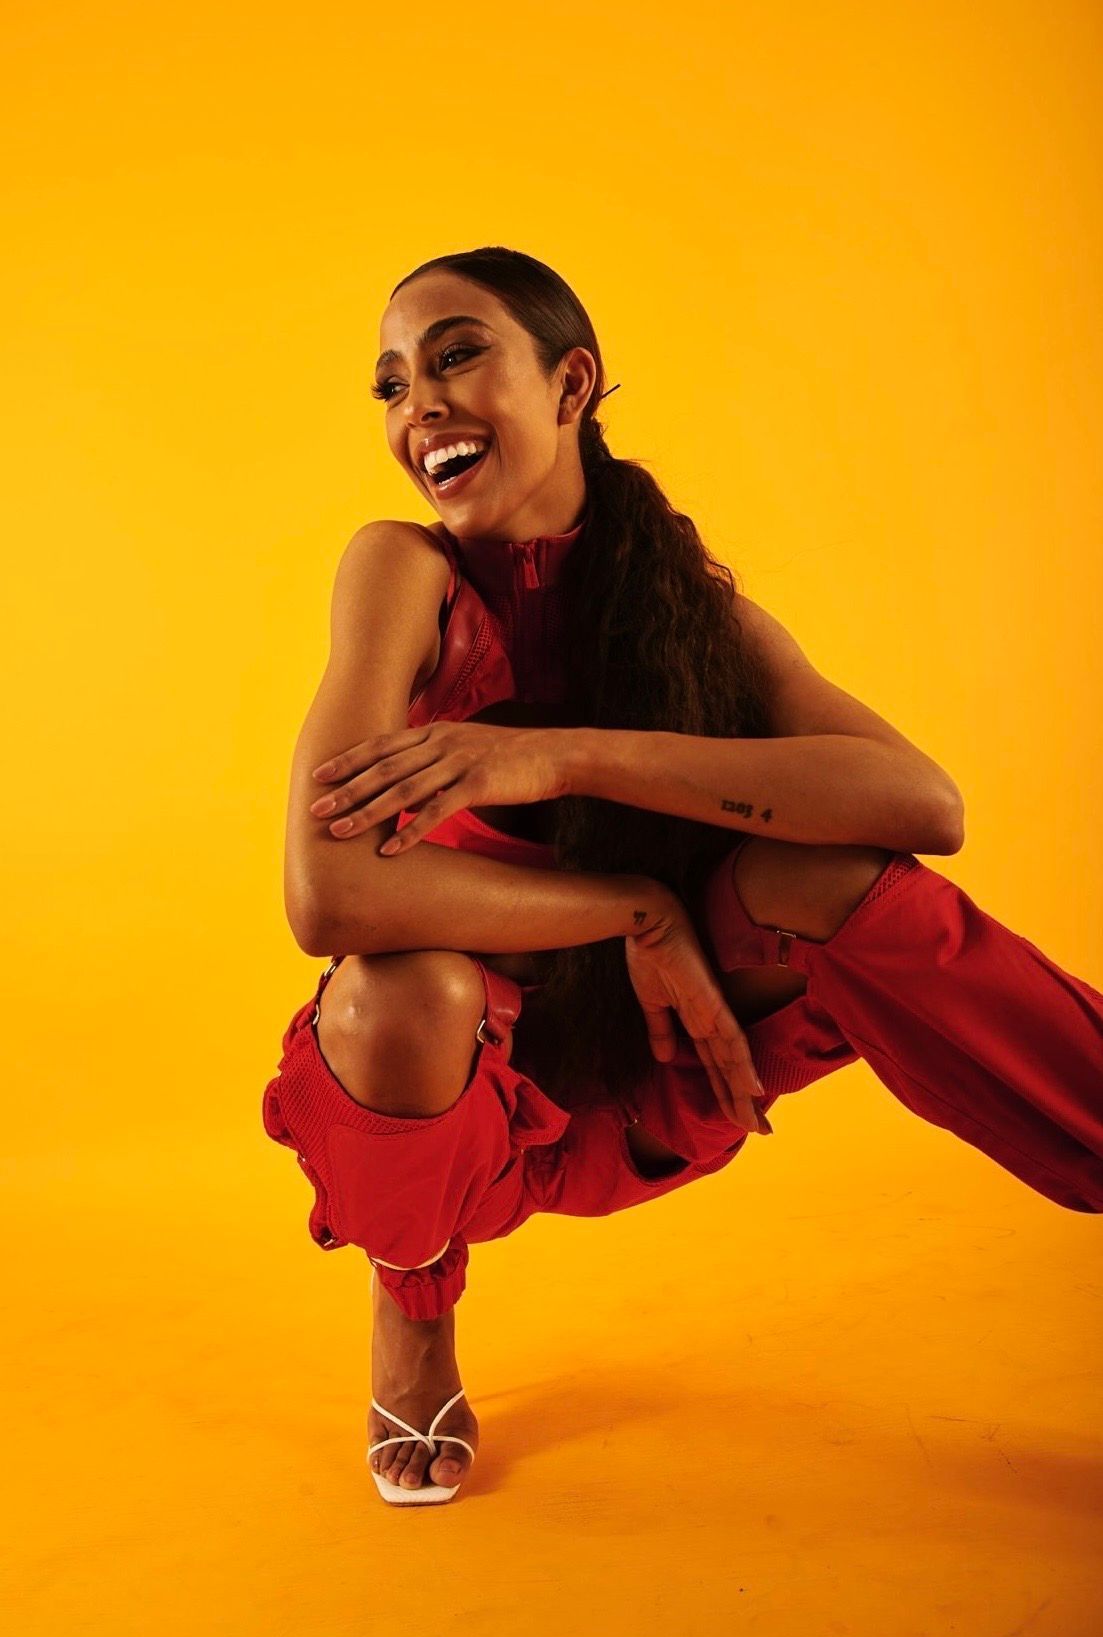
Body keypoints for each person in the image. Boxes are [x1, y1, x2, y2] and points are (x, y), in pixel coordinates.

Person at [262, 245, 1103, 1506]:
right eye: (388, 386)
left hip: (675, 1060)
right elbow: (325, 896)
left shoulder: (688, 609)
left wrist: (562, 758)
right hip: (467, 1098)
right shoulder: (401, 573)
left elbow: (921, 806)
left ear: (570, 384)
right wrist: (632, 907)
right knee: (397, 997)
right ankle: (414, 1295)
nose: (414, 406)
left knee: (827, 868)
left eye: (453, 356)